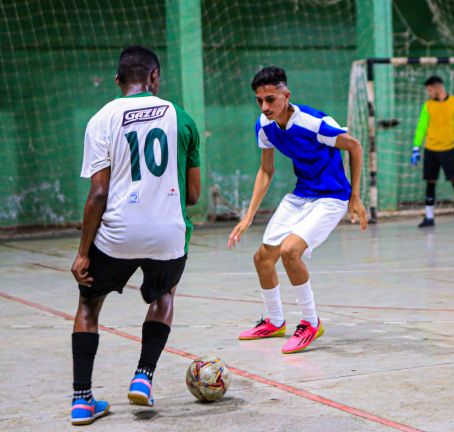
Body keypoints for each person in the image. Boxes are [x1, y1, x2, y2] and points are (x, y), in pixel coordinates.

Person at [69, 45, 201, 425]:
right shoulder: (182, 118)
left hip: (116, 233)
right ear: (155, 78)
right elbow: (193, 195)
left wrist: (82, 252)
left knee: (89, 306)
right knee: (163, 296)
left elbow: (97, 194)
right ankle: (143, 376)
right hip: (167, 234)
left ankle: (82, 400)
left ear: (117, 81)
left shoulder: (101, 119)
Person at [228, 66, 367, 354]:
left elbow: (354, 146)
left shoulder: (314, 123)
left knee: (291, 252)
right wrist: (248, 216)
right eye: (259, 100)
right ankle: (275, 321)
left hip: (331, 197)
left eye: (270, 99)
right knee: (262, 259)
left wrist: (355, 196)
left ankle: (311, 321)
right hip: (302, 195)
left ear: (286, 95)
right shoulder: (264, 126)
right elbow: (266, 171)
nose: (265, 106)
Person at [411, 75, 454, 228]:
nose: (428, 93)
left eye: (430, 90)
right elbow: (421, 127)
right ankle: (429, 217)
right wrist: (416, 148)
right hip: (431, 150)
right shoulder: (427, 106)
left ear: (438, 88)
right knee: (430, 183)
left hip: (448, 150)